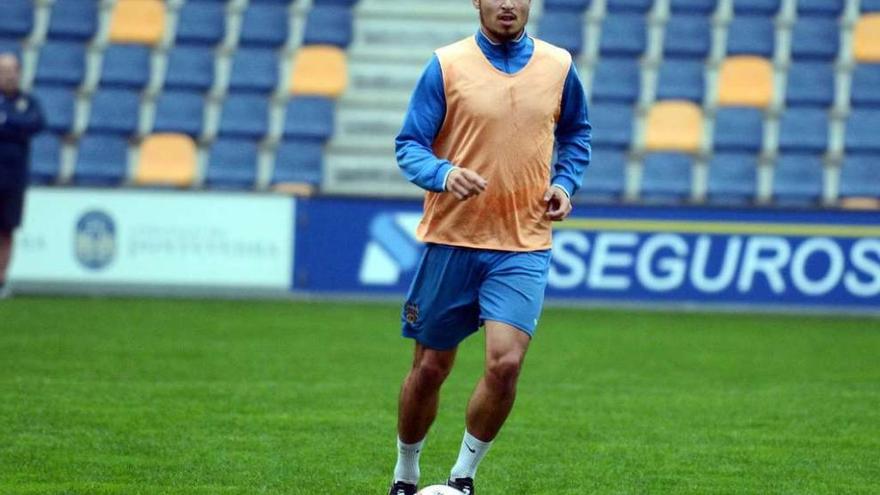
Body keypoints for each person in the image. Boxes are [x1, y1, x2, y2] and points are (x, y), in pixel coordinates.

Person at [387, 0, 591, 493]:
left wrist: (564, 185)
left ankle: (462, 478)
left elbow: (576, 134)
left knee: (505, 364)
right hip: (452, 238)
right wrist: (444, 173)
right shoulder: (446, 64)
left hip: (522, 243)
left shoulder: (559, 66)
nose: (507, 4)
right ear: (477, 2)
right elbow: (409, 144)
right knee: (430, 369)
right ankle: (406, 472)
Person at [0, 51, 45, 298]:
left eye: (11, 71)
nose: (7, 76)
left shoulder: (28, 102)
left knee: (7, 230)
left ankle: (2, 280)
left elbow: (36, 124)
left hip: (14, 178)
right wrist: (15, 125)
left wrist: (7, 122)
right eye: (2, 71)